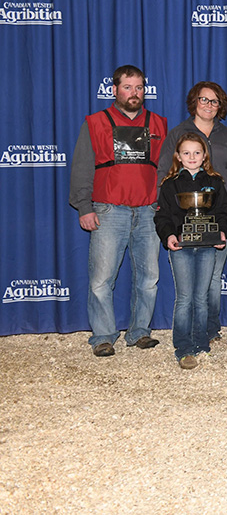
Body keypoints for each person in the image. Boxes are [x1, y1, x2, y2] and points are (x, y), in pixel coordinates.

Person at [69, 64, 167, 357]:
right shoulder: (96, 122)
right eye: (128, 87)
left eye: (139, 88)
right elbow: (82, 167)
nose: (134, 93)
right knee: (102, 278)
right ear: (115, 90)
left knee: (149, 277)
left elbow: (165, 169)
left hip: (149, 211)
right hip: (109, 210)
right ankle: (102, 335)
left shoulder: (158, 123)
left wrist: (163, 203)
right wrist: (84, 206)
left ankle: (139, 332)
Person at [157, 81, 227, 344]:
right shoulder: (178, 133)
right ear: (194, 102)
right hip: (182, 220)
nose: (209, 105)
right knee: (188, 287)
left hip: (221, 214)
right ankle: (189, 335)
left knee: (214, 275)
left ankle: (209, 328)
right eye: (204, 100)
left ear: (221, 106)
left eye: (215, 101)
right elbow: (164, 170)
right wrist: (164, 214)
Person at [155, 133, 227, 369]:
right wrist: (168, 235)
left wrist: (221, 232)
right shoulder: (170, 184)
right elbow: (162, 216)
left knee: (201, 297)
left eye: (197, 152)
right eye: (186, 153)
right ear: (178, 156)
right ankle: (183, 348)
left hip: (207, 245)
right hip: (181, 246)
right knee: (185, 298)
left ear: (204, 156)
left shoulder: (215, 181)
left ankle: (201, 344)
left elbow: (224, 212)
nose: (192, 157)